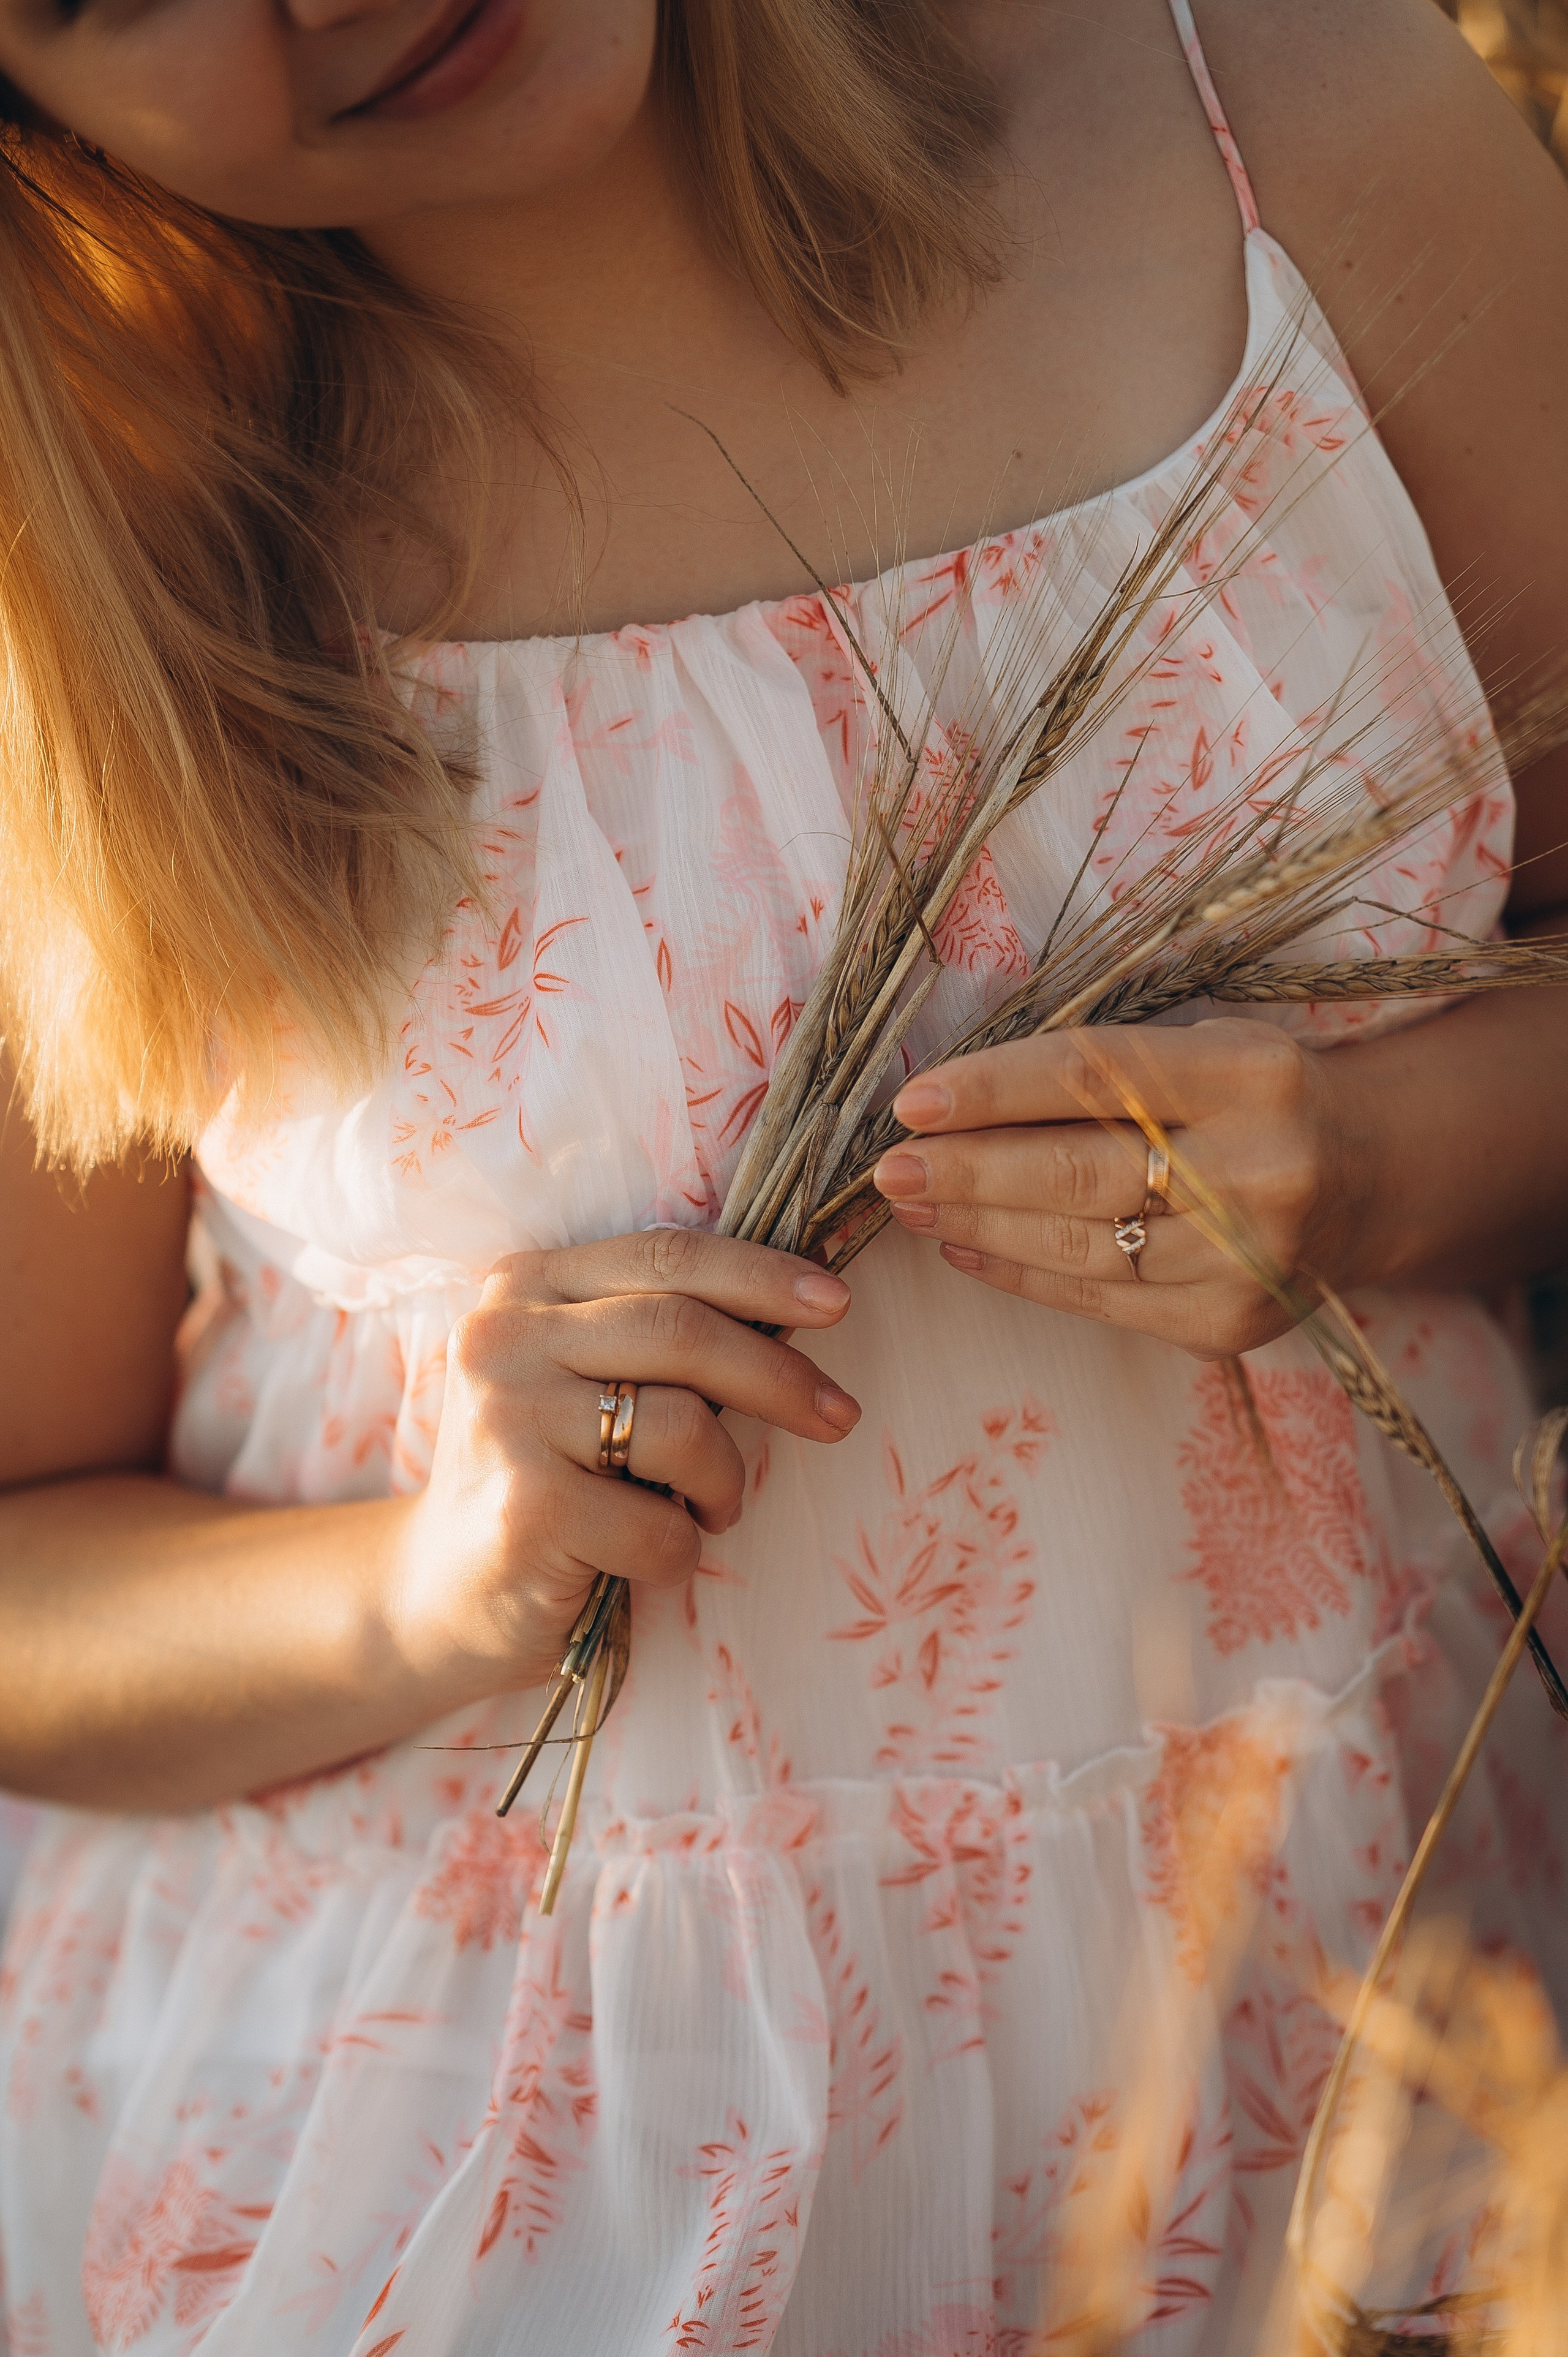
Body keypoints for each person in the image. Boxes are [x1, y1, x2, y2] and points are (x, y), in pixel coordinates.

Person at [3, 1, 1568, 2347]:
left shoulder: (1281, 134)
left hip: (1373, 1972)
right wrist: (424, 1586)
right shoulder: (104, 577)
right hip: (530, 2145)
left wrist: (1388, 1157)